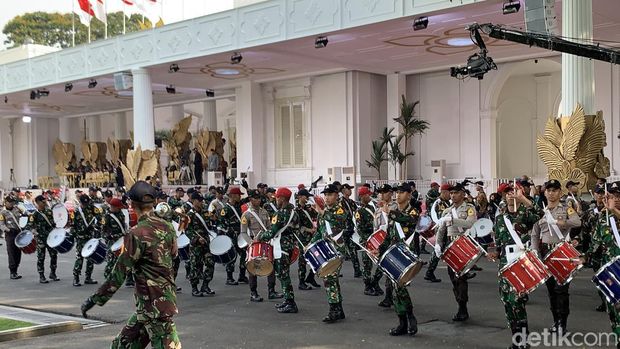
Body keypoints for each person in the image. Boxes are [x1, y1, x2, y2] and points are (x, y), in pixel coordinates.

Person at [81, 181, 181, 349]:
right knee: (122, 345)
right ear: (155, 203)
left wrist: (94, 299)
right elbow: (174, 255)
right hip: (155, 304)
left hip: (153, 307)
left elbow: (118, 274)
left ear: (132, 204)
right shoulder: (168, 227)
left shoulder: (136, 234)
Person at [488, 185, 539, 349]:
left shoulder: (524, 213)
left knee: (517, 302)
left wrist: (523, 199)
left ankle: (523, 340)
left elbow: (540, 213)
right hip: (505, 261)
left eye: (512, 192)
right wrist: (495, 252)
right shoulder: (500, 218)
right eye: (507, 193)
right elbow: (499, 240)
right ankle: (516, 338)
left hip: (521, 259)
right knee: (507, 301)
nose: (510, 195)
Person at [531, 179, 581, 333]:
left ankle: (562, 322)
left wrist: (560, 222)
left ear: (560, 192)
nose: (551, 193)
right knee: (551, 289)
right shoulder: (540, 211)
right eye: (548, 190)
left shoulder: (566, 208)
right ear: (544, 192)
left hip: (561, 251)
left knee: (562, 289)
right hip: (545, 252)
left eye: (554, 190)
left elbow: (577, 222)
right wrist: (534, 251)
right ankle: (556, 320)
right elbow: (535, 234)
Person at [374, 183, 419, 336]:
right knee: (395, 289)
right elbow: (388, 235)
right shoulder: (394, 212)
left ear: (409, 194)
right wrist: (379, 250)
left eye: (401, 192)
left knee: (400, 287)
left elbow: (409, 221)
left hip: (405, 254)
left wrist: (391, 213)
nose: (397, 195)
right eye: (397, 192)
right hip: (392, 253)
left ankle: (409, 317)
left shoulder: (412, 211)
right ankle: (403, 321)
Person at [583, 181, 620, 346]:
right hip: (611, 274)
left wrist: (613, 211)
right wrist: (583, 258)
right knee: (614, 314)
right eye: (612, 196)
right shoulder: (602, 221)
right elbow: (594, 246)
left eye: (619, 196)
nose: (616, 199)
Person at [435, 182, 478, 321]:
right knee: (453, 277)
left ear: (463, 194)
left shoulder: (469, 208)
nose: (453, 195)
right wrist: (437, 244)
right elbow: (441, 230)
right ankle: (459, 302)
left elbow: (470, 223)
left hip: (462, 244)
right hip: (450, 245)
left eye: (456, 193)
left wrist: (453, 220)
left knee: (461, 277)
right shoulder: (446, 211)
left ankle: (463, 307)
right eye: (451, 193)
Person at [257, 187, 300, 313]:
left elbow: (272, 232)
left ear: (282, 198)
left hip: (280, 248)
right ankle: (287, 300)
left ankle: (291, 303)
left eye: (277, 197)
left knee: (283, 276)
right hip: (290, 247)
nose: (275, 200)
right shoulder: (294, 213)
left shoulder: (279, 214)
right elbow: (296, 229)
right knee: (284, 275)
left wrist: (260, 237)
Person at [310, 184, 348, 323]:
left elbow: (339, 220)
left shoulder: (339, 210)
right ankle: (339, 309)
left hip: (337, 249)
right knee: (332, 280)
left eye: (330, 194)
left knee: (329, 278)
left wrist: (321, 212)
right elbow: (320, 231)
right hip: (326, 248)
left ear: (336, 195)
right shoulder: (324, 211)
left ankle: (334, 310)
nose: (326, 197)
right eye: (325, 194)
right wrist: (311, 244)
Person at [241, 190, 282, 302]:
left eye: (259, 198)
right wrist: (250, 242)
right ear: (250, 199)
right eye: (255, 198)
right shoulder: (247, 214)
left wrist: (270, 237)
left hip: (266, 242)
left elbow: (269, 227)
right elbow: (243, 232)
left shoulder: (264, 212)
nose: (258, 200)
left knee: (270, 265)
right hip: (254, 243)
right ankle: (253, 293)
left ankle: (271, 291)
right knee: (253, 267)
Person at [186, 192, 216, 297]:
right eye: (199, 200)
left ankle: (205, 285)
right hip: (196, 245)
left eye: (201, 200)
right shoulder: (189, 215)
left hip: (206, 243)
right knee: (195, 266)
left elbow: (210, 225)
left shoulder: (205, 212)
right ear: (193, 201)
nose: (201, 202)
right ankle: (194, 288)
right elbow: (187, 230)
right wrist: (197, 239)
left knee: (210, 263)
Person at [72, 194, 103, 286]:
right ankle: (76, 277)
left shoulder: (92, 208)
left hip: (90, 237)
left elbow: (100, 218)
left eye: (87, 203)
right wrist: (74, 234)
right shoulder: (76, 211)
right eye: (84, 203)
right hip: (80, 238)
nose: (85, 205)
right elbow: (72, 226)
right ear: (80, 202)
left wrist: (96, 226)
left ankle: (88, 277)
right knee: (80, 258)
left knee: (90, 257)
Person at [218, 187, 247, 285]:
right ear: (234, 196)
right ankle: (229, 277)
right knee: (232, 256)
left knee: (244, 254)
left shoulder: (240, 206)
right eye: (239, 195)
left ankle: (242, 276)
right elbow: (221, 224)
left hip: (241, 235)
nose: (240, 197)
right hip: (231, 235)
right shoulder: (226, 209)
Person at [28, 195, 59, 283]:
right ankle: (41, 275)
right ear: (38, 202)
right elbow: (30, 226)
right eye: (43, 201)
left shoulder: (49, 212)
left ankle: (53, 273)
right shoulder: (34, 214)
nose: (45, 202)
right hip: (41, 239)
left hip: (50, 238)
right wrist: (34, 232)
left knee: (53, 255)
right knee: (41, 258)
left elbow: (53, 223)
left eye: (45, 201)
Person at [424, 183, 451, 283]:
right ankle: (430, 272)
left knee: (441, 249)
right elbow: (442, 218)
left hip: (446, 229)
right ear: (444, 192)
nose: (451, 195)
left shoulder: (446, 202)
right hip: (441, 229)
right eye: (450, 193)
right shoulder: (440, 203)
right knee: (440, 249)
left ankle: (430, 272)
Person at [356, 186, 379, 295]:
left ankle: (375, 283)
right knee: (367, 265)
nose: (369, 196)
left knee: (380, 263)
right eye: (367, 195)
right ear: (362, 196)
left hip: (377, 239)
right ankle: (367, 286)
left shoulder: (374, 206)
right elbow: (360, 229)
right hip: (367, 240)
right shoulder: (360, 211)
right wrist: (368, 242)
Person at [295, 189, 320, 290]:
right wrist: (309, 230)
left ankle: (310, 277)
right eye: (306, 196)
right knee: (303, 260)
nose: (307, 199)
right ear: (300, 197)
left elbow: (317, 215)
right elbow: (297, 226)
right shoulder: (296, 210)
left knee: (316, 258)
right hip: (303, 238)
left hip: (312, 237)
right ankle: (301, 282)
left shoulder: (308, 208)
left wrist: (316, 205)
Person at [101, 198, 128, 281]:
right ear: (113, 207)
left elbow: (123, 226)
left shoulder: (120, 214)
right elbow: (103, 231)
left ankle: (120, 278)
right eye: (118, 207)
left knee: (123, 260)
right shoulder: (107, 217)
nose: (120, 208)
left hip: (121, 240)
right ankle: (107, 278)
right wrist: (108, 237)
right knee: (111, 261)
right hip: (112, 242)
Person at [340, 183, 362, 278]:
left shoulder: (351, 202)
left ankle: (357, 270)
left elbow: (356, 212)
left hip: (351, 229)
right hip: (343, 230)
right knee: (340, 251)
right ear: (344, 190)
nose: (351, 191)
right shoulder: (341, 202)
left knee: (353, 250)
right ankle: (334, 270)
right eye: (349, 189)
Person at [0, 196, 23, 279]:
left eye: (12, 202)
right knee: (11, 253)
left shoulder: (17, 209)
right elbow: (1, 224)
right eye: (9, 202)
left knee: (18, 252)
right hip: (10, 234)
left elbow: (24, 215)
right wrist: (7, 230)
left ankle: (16, 270)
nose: (11, 203)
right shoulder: (3, 212)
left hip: (18, 233)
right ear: (5, 202)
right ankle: (12, 272)